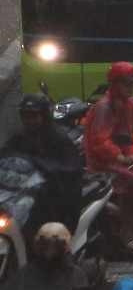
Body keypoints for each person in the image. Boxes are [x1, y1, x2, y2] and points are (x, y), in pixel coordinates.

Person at [4, 94, 85, 232]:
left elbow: (70, 168)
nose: (29, 120)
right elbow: (6, 153)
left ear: (44, 115)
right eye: (25, 116)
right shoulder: (20, 136)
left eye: (34, 116)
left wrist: (42, 166)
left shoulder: (57, 137)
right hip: (25, 190)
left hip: (56, 193)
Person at [4, 224, 101, 290]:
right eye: (45, 245)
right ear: (37, 245)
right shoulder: (26, 272)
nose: (49, 250)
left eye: (56, 245)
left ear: (65, 247)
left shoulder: (75, 274)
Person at [80, 61, 133, 170]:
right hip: (105, 169)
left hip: (128, 162)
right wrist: (121, 158)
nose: (131, 87)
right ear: (115, 84)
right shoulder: (104, 107)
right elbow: (100, 142)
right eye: (127, 84)